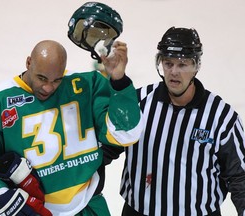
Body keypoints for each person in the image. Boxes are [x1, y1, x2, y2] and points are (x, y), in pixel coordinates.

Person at [0, 38, 143, 215]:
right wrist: (2, 197)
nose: (48, 88)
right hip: (32, 209)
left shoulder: (86, 85)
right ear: (28, 62)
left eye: (57, 80)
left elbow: (126, 134)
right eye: (42, 78)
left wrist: (119, 80)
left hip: (89, 207)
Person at [104, 26, 245, 216]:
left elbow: (240, 177)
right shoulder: (139, 102)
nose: (174, 72)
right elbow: (109, 146)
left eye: (182, 64)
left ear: (196, 66)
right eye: (168, 63)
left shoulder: (221, 116)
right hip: (139, 211)